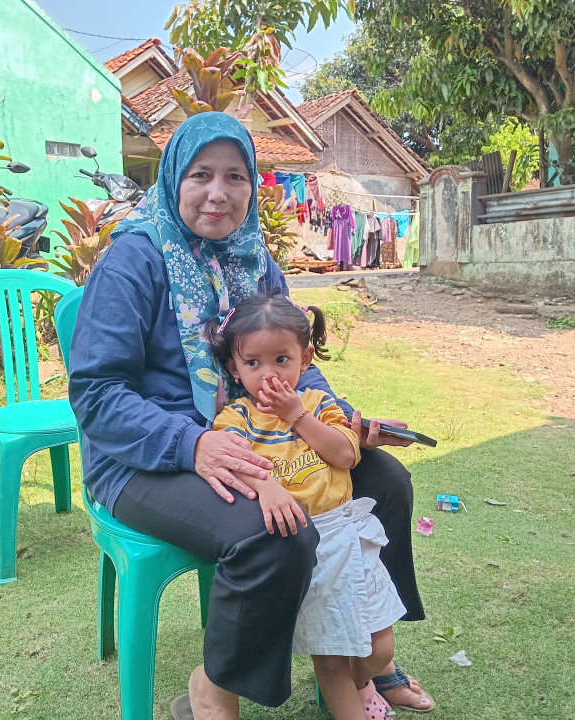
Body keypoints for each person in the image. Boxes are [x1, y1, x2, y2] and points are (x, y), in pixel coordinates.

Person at [68, 111, 431, 720]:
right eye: (201, 175)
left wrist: (338, 418)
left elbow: (292, 360)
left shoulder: (254, 259)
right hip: (145, 458)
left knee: (385, 481)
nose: (218, 192)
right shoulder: (132, 261)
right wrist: (191, 444)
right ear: (173, 178)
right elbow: (97, 393)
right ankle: (213, 686)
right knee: (276, 532)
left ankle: (363, 657)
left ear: (251, 185)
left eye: (235, 176)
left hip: (258, 438)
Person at [204, 293, 408, 719]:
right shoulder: (237, 418)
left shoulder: (319, 404)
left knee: (381, 647)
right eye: (253, 363)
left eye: (281, 359)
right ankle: (347, 696)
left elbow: (345, 455)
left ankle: (362, 681)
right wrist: (264, 485)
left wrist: (297, 416)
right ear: (234, 369)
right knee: (330, 660)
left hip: (351, 540)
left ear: (305, 359)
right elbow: (233, 461)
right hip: (310, 549)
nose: (269, 374)